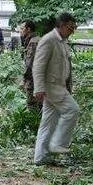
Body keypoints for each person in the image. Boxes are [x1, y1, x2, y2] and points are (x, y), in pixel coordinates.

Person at [33, 13, 79, 165]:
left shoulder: (62, 41)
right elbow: (38, 66)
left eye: (74, 27)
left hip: (57, 86)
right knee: (72, 110)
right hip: (52, 87)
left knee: (48, 122)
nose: (72, 30)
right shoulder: (49, 40)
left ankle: (40, 157)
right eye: (70, 27)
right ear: (61, 25)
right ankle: (58, 143)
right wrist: (38, 88)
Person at [20, 20, 40, 111]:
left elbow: (29, 64)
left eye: (22, 28)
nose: (20, 30)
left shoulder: (33, 42)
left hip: (34, 79)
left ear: (28, 29)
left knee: (32, 104)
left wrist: (24, 80)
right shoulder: (37, 39)